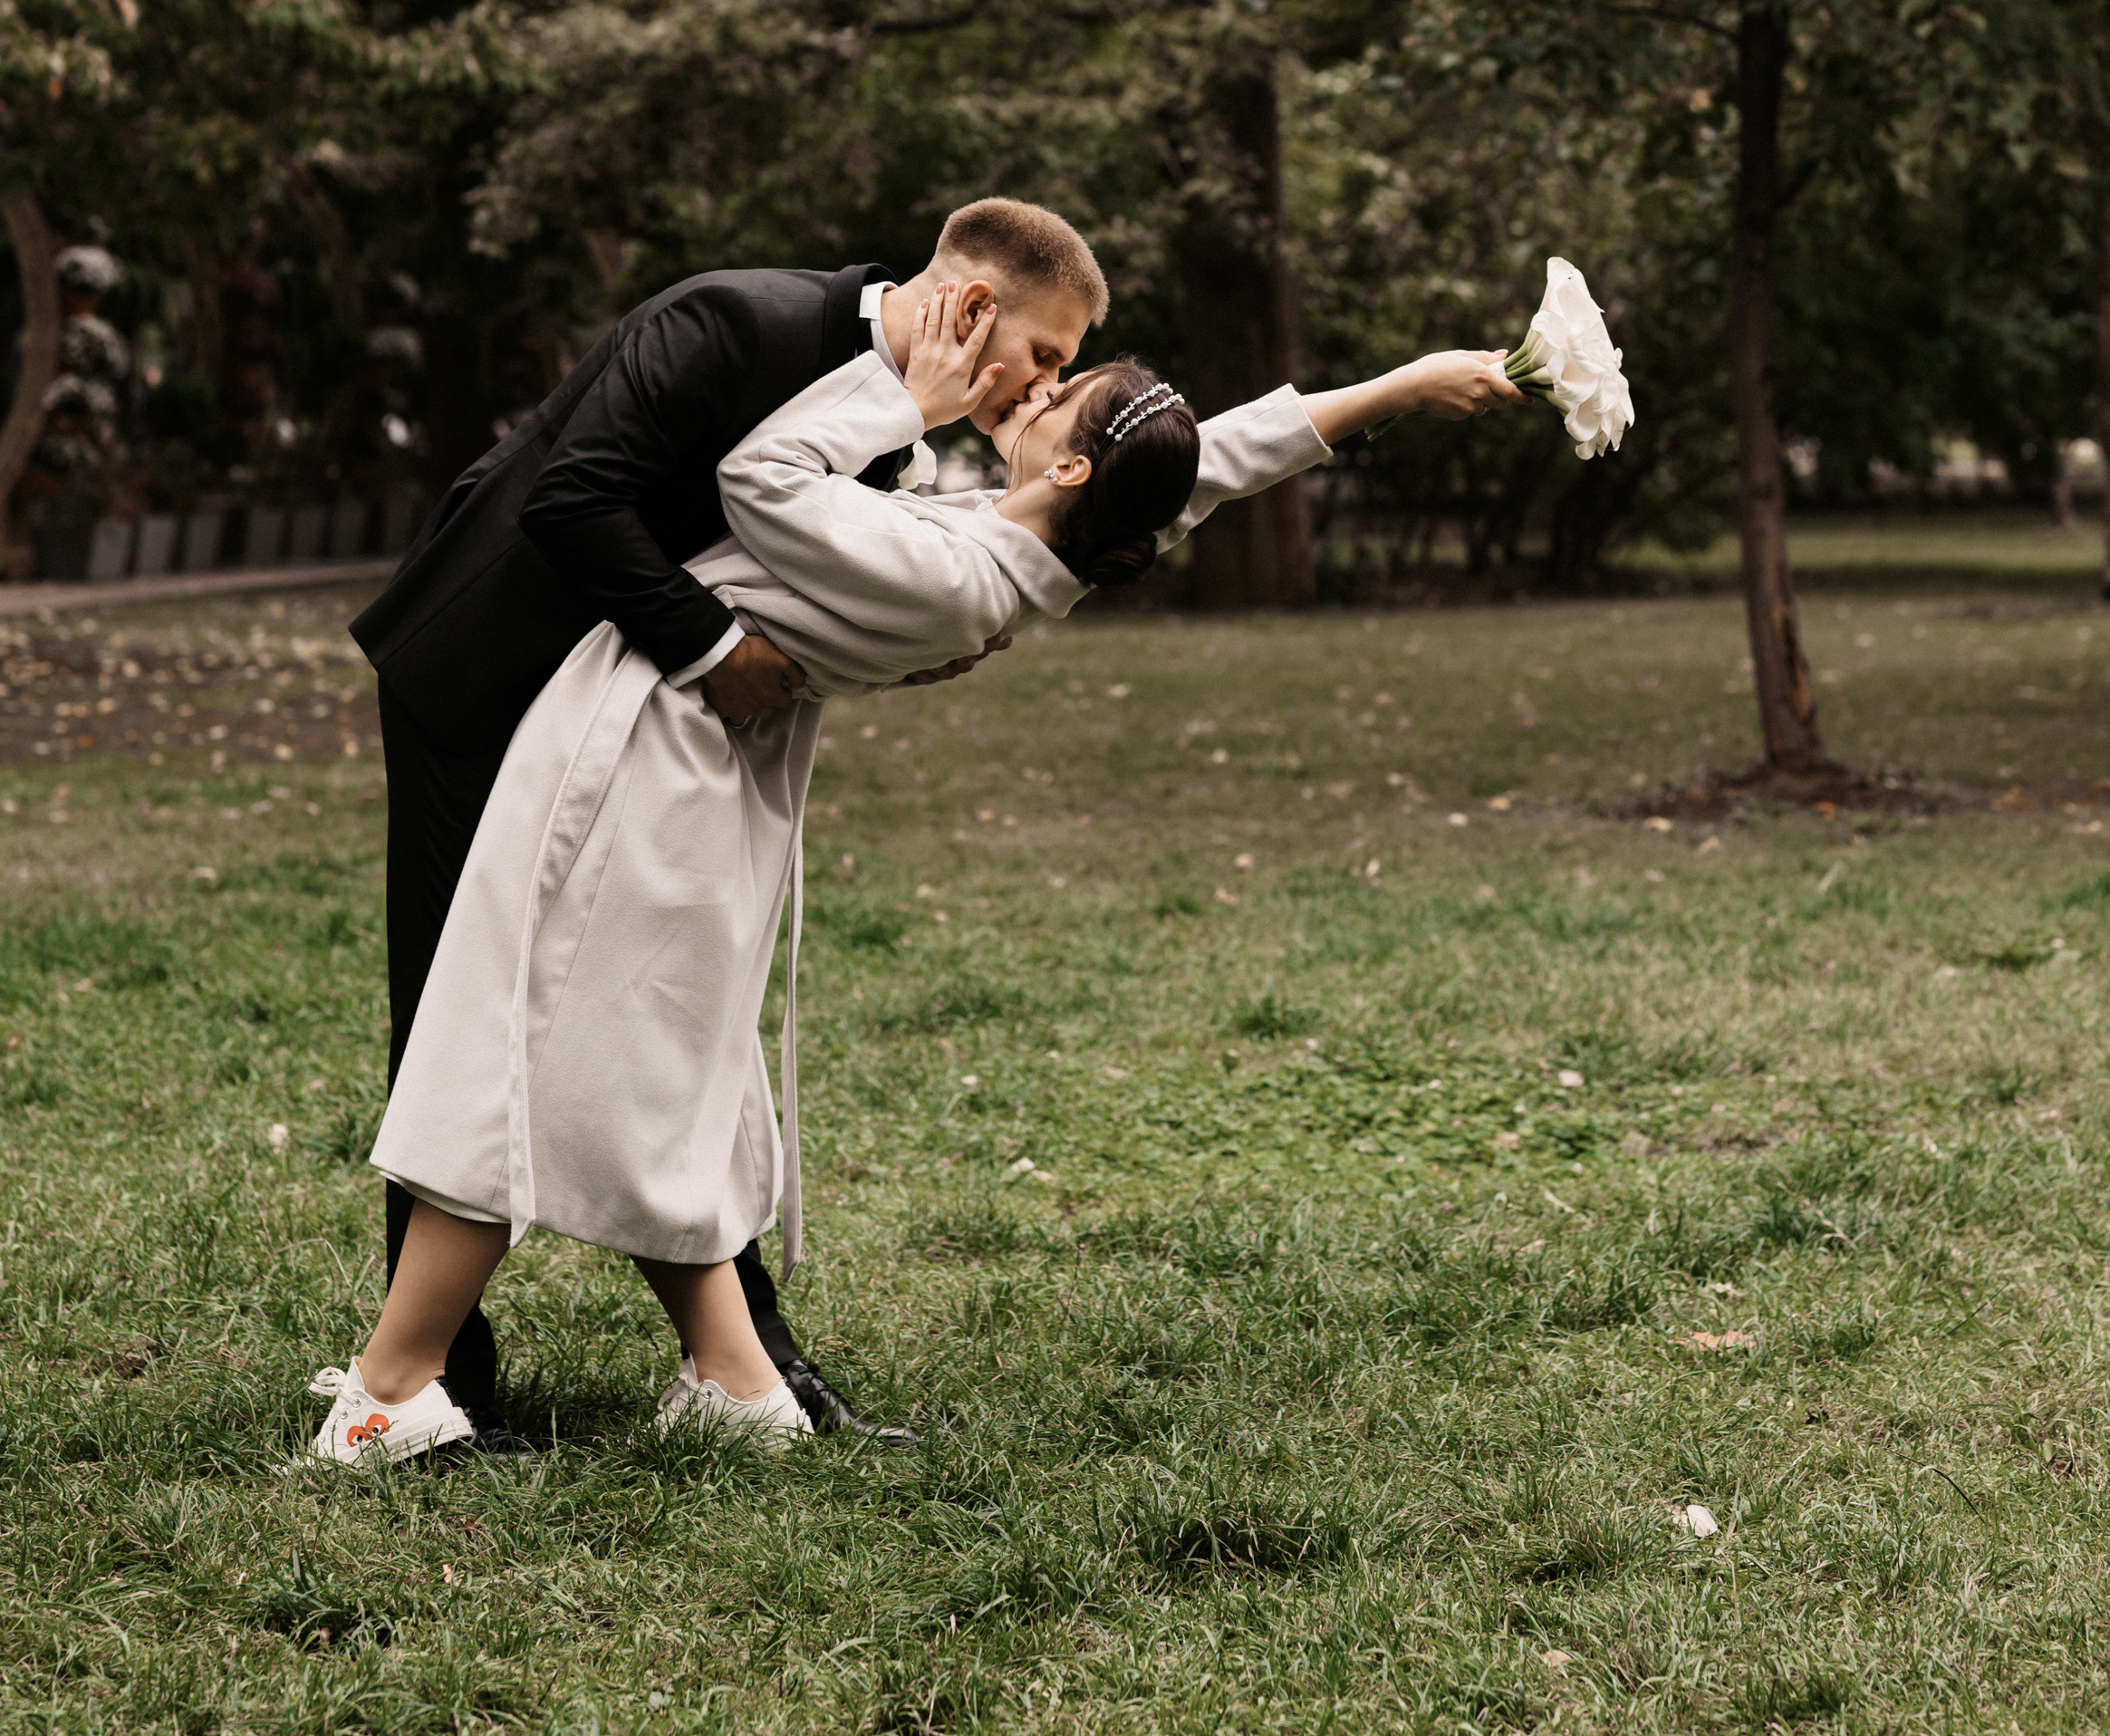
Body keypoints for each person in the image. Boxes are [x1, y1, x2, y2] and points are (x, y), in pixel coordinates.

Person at [307, 300, 1519, 1465]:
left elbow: (761, 482)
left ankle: (391, 1387)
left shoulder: (954, 569)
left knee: (508, 1061)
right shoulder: (1034, 540)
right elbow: (1203, 461)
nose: (1035, 390)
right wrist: (1406, 388)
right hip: (692, 787)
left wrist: (904, 398)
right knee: (674, 1092)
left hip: (642, 776)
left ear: (1073, 474)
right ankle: (738, 1383)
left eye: (1057, 395)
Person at [350, 200, 1110, 1442]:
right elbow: (575, 497)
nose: (1045, 385)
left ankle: (750, 1374)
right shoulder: (732, 321)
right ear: (972, 310)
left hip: (626, 721)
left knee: (678, 1027)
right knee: (458, 1008)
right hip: (485, 674)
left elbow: (805, 568)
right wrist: (714, 651)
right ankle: (431, 1382)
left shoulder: (886, 427)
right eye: (1044, 356)